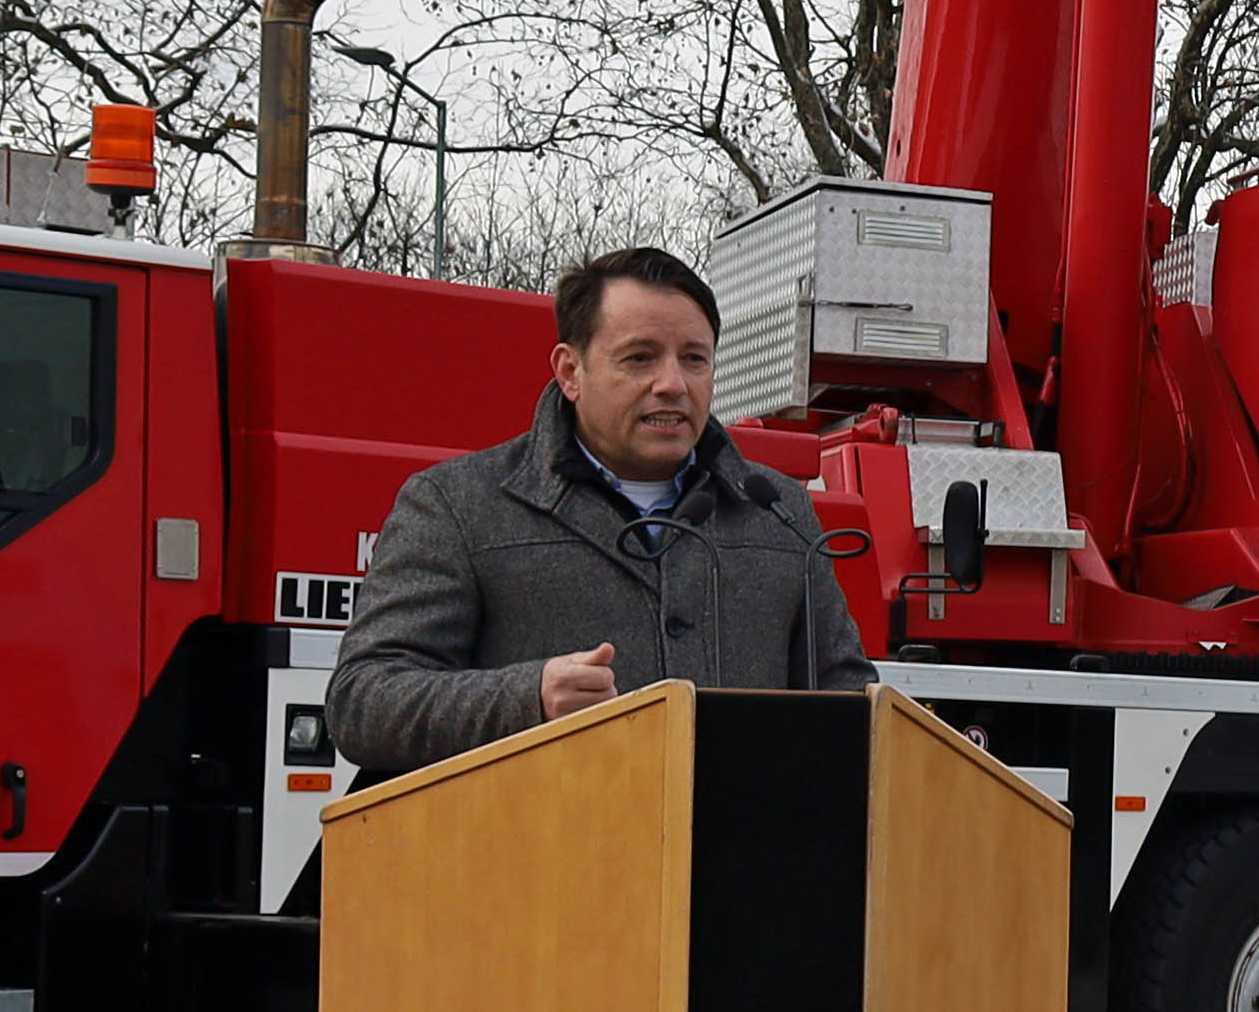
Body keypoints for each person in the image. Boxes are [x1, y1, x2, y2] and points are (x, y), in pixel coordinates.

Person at [327, 247, 874, 781]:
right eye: (640, 358)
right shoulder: (458, 506)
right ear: (571, 371)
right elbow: (363, 704)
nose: (672, 384)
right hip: (535, 861)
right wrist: (527, 699)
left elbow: (849, 698)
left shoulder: (777, 511)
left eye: (694, 358)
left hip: (738, 863)